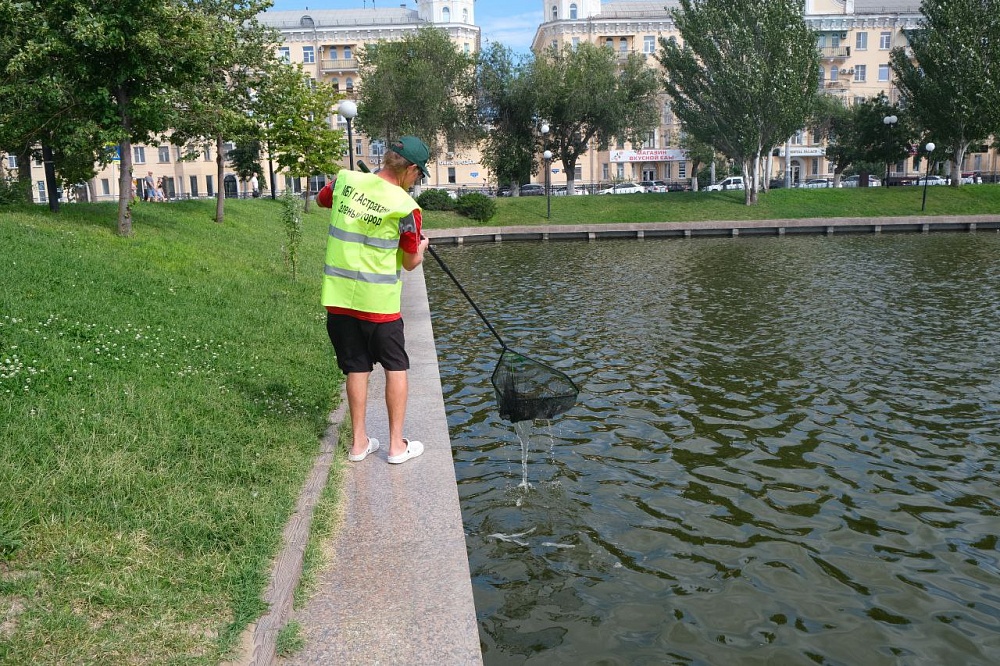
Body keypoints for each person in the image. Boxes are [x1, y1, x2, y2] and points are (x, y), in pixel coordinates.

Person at [317, 136, 431, 465]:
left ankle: (358, 444)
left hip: (339, 301)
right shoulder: (407, 208)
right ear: (409, 168)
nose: (417, 181)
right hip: (379, 306)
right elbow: (409, 263)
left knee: (356, 368)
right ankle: (396, 446)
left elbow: (324, 200)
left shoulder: (345, 179)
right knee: (396, 367)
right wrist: (420, 248)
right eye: (418, 175)